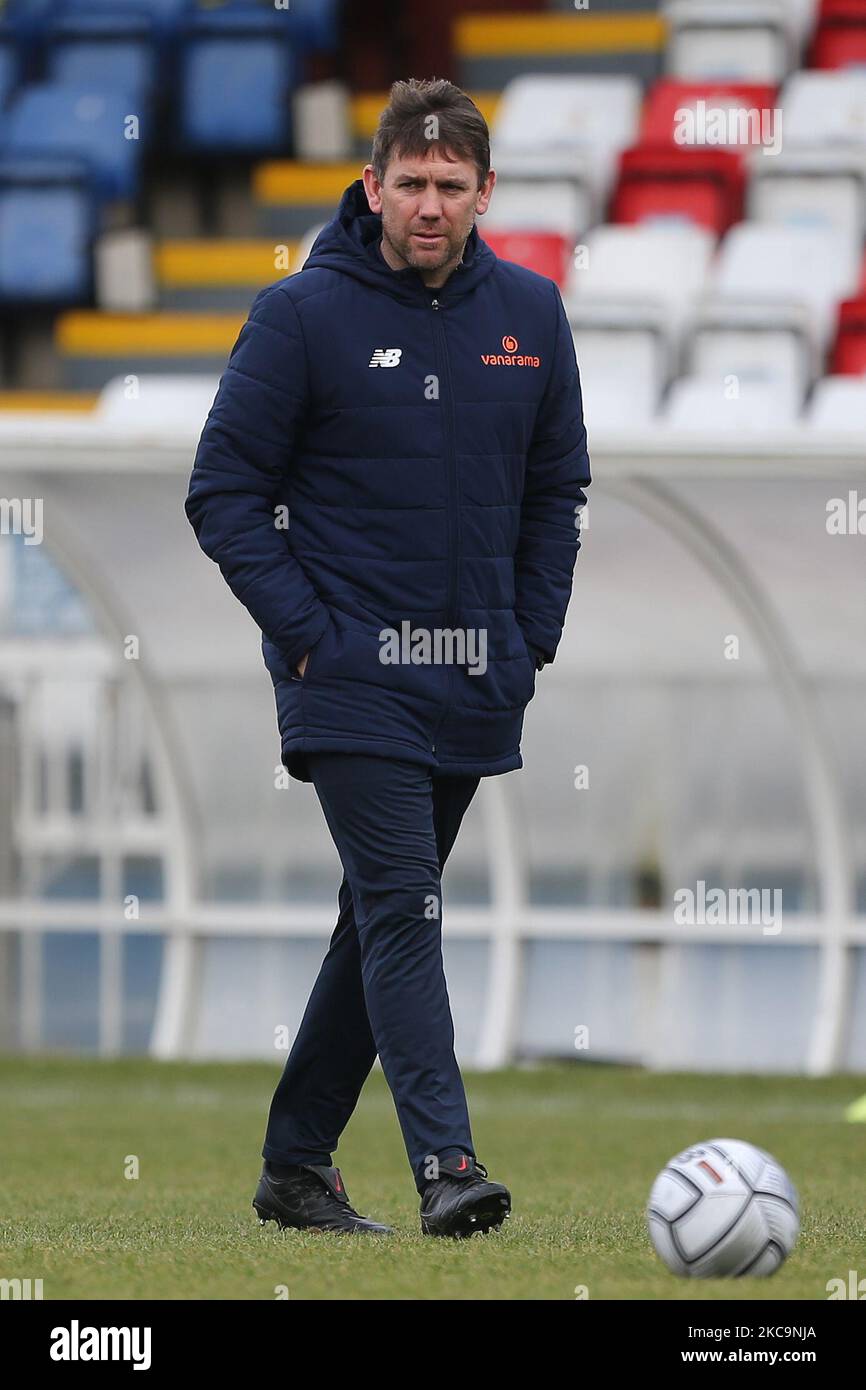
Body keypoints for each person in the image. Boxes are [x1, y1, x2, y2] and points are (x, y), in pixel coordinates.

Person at [185, 77, 591, 1238]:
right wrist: (310, 639)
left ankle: (293, 1166)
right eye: (406, 183)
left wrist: (529, 636)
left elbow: (556, 490)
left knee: (377, 915)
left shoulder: (532, 313)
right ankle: (447, 1166)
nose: (426, 203)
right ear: (370, 186)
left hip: (473, 673)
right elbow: (221, 493)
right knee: (406, 907)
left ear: (482, 194)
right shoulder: (299, 315)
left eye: (447, 186)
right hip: (348, 674)